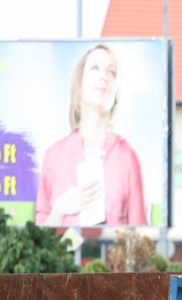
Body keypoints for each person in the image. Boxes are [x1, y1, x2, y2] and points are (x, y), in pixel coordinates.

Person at [35, 44, 146, 226]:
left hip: (110, 255)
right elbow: (37, 239)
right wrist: (61, 209)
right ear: (79, 83)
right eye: (95, 68)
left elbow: (140, 232)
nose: (104, 77)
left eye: (112, 72)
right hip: (64, 254)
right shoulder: (54, 156)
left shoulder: (127, 157)